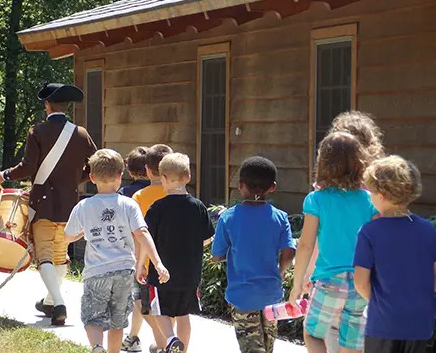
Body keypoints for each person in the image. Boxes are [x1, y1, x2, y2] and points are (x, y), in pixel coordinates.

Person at [0, 83, 97, 326]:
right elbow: (95, 166)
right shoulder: (81, 133)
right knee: (60, 256)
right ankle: (50, 301)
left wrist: (3, 174)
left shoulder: (37, 131)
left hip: (44, 204)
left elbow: (27, 167)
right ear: (65, 106)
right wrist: (73, 180)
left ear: (47, 105)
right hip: (69, 206)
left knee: (45, 255)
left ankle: (58, 303)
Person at [64, 149, 170, 353]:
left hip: (96, 271)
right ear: (121, 175)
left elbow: (67, 236)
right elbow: (142, 234)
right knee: (118, 320)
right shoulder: (129, 205)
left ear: (92, 177)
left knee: (92, 316)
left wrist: (81, 234)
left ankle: (96, 346)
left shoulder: (83, 206)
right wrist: (157, 263)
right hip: (124, 270)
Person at [305, 110, 386, 353]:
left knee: (319, 334)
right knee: (351, 340)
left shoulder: (322, 193)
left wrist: (308, 277)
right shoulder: (375, 190)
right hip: (362, 278)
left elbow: (315, 241)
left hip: (330, 276)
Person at [211, 156, 296, 353]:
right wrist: (280, 273)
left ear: (241, 185)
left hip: (242, 296)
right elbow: (288, 252)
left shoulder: (229, 217)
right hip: (271, 293)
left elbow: (217, 256)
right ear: (272, 187)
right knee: (268, 347)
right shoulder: (280, 217)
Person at [353, 156, 436, 353]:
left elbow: (360, 281)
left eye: (371, 191)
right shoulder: (428, 229)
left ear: (381, 195)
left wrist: (379, 304)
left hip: (384, 323)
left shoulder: (369, 231)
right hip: (420, 321)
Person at [137, 153, 215, 353]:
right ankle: (183, 350)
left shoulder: (158, 208)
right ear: (188, 177)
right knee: (183, 314)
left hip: (162, 273)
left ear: (163, 179)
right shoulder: (198, 207)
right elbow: (207, 238)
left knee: (159, 311)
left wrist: (141, 266)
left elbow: (147, 241)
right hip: (190, 273)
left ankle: (171, 339)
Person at [122, 144, 173, 353]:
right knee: (160, 306)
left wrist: (137, 261)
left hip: (145, 260)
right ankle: (137, 338)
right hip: (172, 258)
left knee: (144, 304)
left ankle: (165, 341)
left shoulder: (139, 196)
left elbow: (137, 233)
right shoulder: (175, 193)